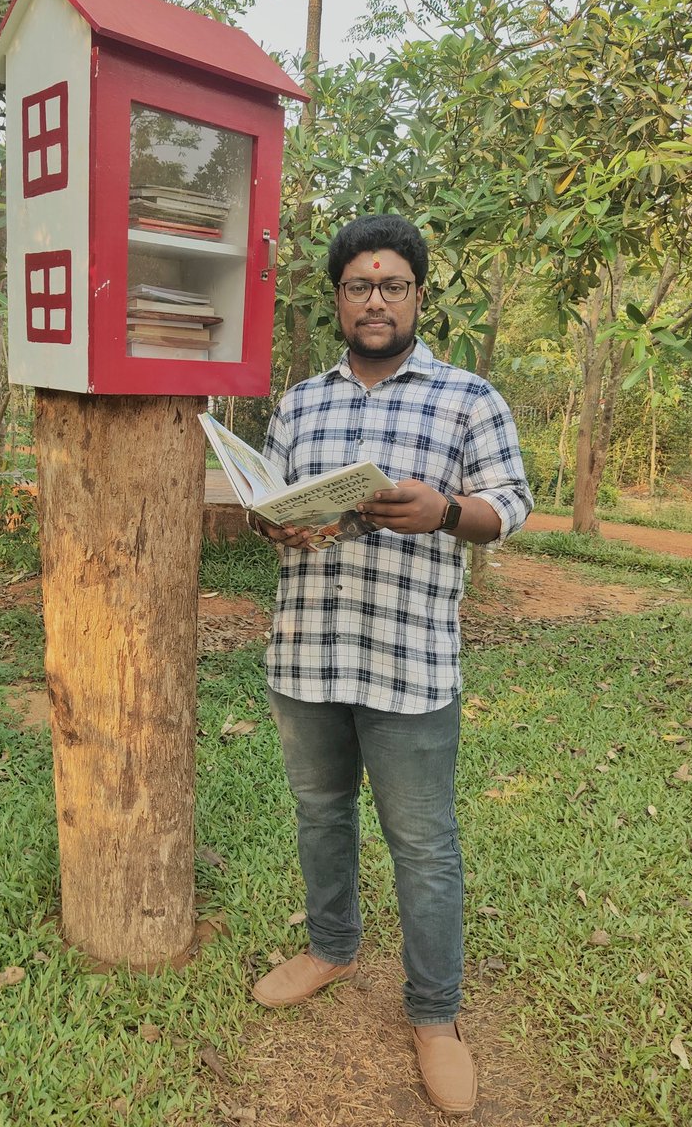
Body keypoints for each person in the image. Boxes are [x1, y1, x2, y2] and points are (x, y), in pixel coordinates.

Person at [247, 214, 533, 1116]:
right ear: (337, 299)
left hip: (410, 663)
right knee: (319, 815)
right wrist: (275, 522)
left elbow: (512, 505)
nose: (376, 300)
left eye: (393, 285)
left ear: (416, 295)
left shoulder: (467, 398)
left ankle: (436, 1016)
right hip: (308, 655)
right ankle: (331, 946)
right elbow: (273, 505)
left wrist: (448, 512)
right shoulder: (299, 402)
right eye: (359, 286)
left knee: (423, 846)